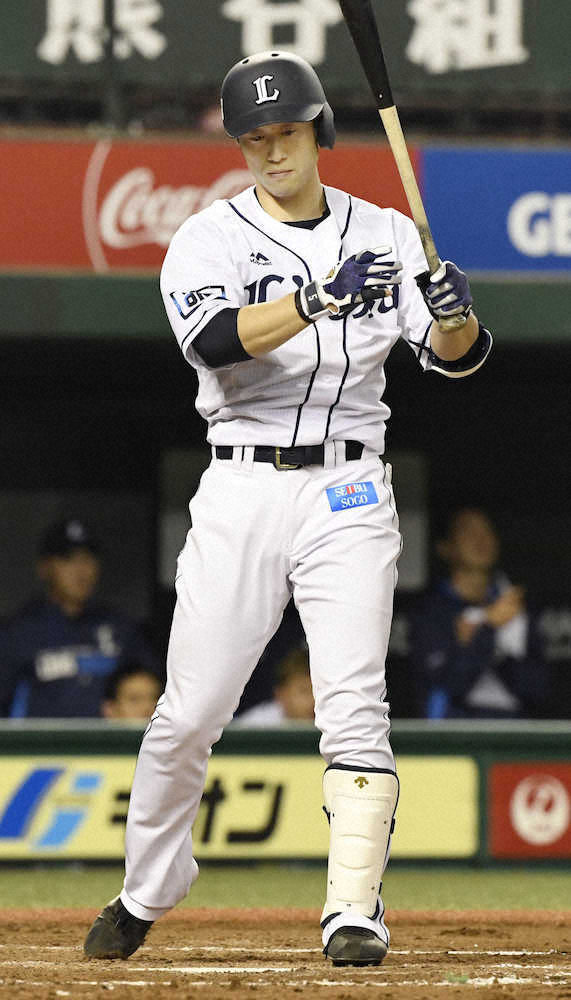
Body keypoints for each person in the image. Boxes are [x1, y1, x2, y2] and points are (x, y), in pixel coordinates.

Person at [84, 50, 492, 967]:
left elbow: (455, 356)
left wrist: (453, 312)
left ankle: (353, 909)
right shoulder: (208, 238)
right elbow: (213, 338)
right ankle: (147, 888)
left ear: (319, 133)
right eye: (255, 137)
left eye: (288, 133)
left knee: (354, 704)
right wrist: (312, 299)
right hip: (243, 483)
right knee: (190, 712)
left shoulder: (387, 232)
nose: (272, 151)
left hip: (349, 485)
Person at [0, 519, 157, 717]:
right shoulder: (18, 633)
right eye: (68, 559)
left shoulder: (122, 629)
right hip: (42, 737)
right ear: (44, 567)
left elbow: (154, 694)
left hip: (110, 737)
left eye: (87, 559)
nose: (80, 570)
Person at [412, 508, 548, 718]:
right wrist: (486, 628)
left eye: (487, 532)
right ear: (445, 547)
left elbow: (536, 690)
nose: (480, 540)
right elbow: (447, 687)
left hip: (513, 727)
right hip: (453, 728)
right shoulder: (430, 610)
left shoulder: (513, 604)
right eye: (468, 532)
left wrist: (500, 641)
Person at [234, 646, 315, 726]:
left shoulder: (322, 717)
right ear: (282, 694)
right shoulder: (253, 727)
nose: (313, 700)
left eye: (317, 691)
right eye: (305, 691)